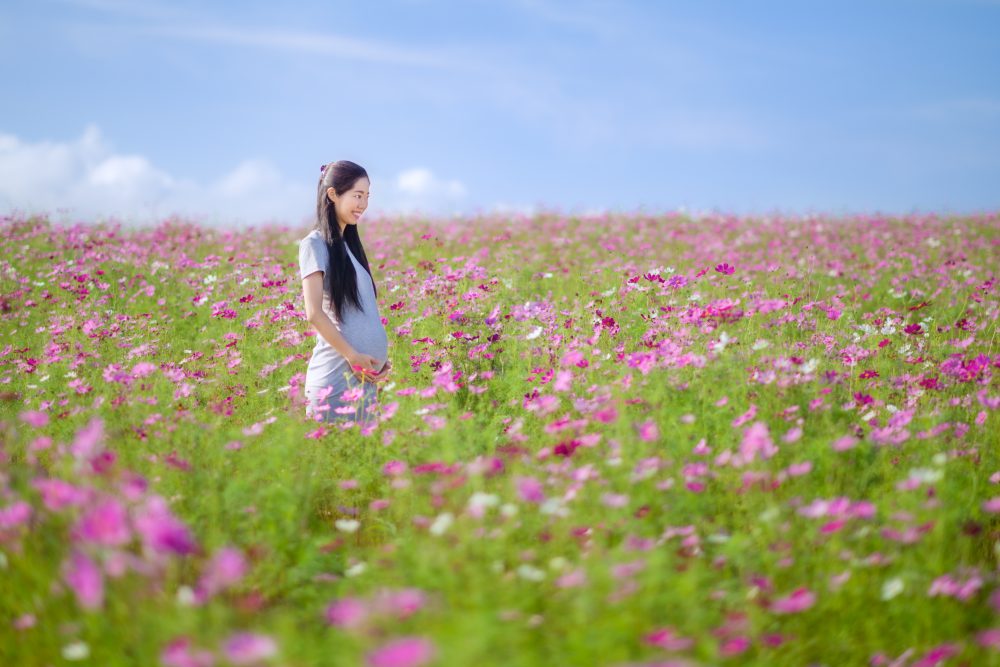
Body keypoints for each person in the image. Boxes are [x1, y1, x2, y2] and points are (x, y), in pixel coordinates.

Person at [298, 160, 391, 426]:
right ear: (333, 194)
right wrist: (353, 355)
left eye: (367, 197)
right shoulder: (313, 244)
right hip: (335, 380)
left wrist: (377, 362)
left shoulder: (352, 250)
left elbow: (361, 315)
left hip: (364, 379)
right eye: (357, 196)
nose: (363, 204)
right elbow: (313, 313)